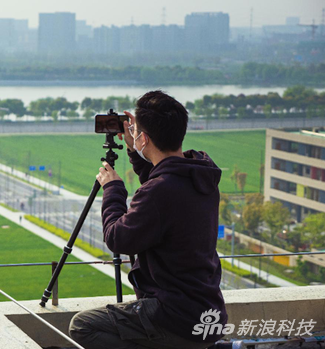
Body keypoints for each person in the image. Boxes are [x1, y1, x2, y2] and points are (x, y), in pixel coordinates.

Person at [69, 91, 227, 349]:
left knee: (82, 326)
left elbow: (117, 239)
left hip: (174, 316)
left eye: (137, 133)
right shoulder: (202, 173)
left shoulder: (160, 192)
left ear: (143, 137)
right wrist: (135, 152)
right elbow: (165, 189)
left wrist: (113, 189)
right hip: (207, 308)